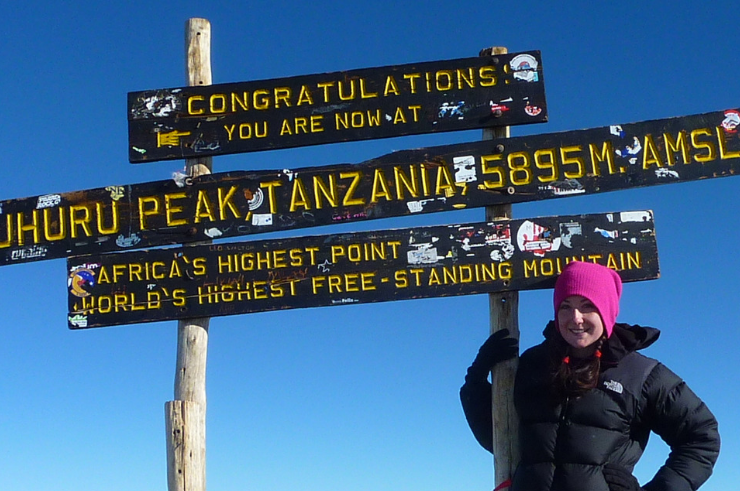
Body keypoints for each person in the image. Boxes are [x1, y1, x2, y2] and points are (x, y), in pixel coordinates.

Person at [460, 261, 720, 491]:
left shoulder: (641, 375)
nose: (576, 318)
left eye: (588, 306)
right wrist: (476, 381)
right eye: (566, 306)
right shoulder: (533, 364)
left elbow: (702, 437)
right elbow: (498, 439)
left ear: (605, 311)